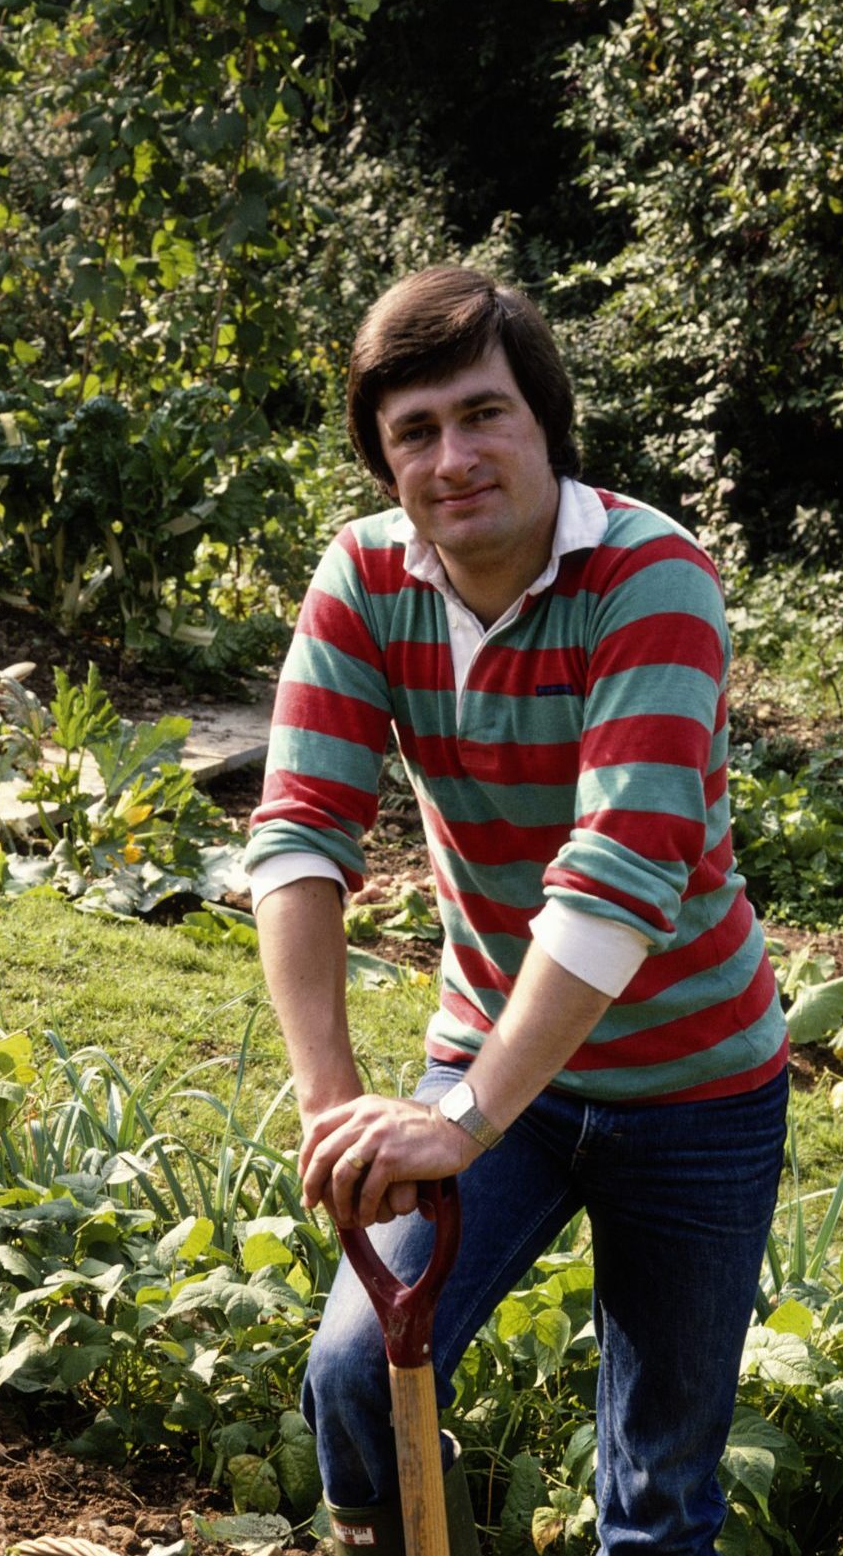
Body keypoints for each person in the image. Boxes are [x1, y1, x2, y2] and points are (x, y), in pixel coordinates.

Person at [245, 265, 789, 1556]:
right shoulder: (366, 577)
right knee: (353, 1372)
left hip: (697, 1085)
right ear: (384, 462)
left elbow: (618, 876)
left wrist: (462, 1117)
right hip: (498, 1060)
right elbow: (299, 834)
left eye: (484, 412)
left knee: (658, 1492)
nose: (455, 456)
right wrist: (334, 1109)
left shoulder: (651, 576)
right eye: (415, 430)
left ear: (544, 419)